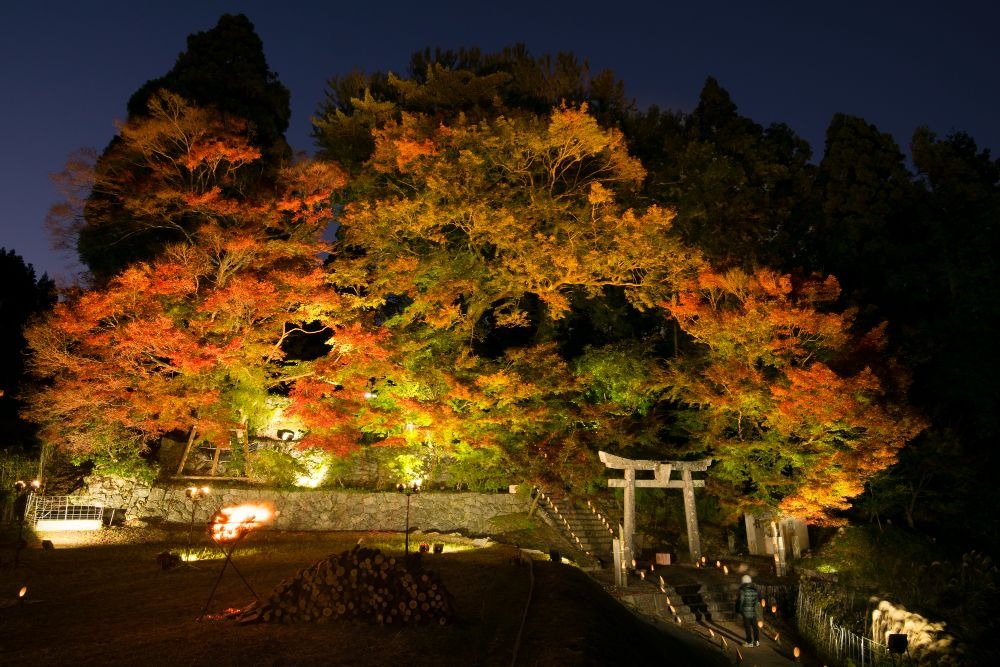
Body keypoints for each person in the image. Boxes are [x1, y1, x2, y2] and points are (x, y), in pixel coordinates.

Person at [735, 574, 761, 647]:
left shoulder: (742, 591)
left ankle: (749, 642)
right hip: (753, 611)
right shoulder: (754, 591)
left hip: (745, 612)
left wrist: (739, 610)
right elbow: (756, 602)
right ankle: (757, 641)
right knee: (755, 626)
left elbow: (741, 601)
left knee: (747, 627)